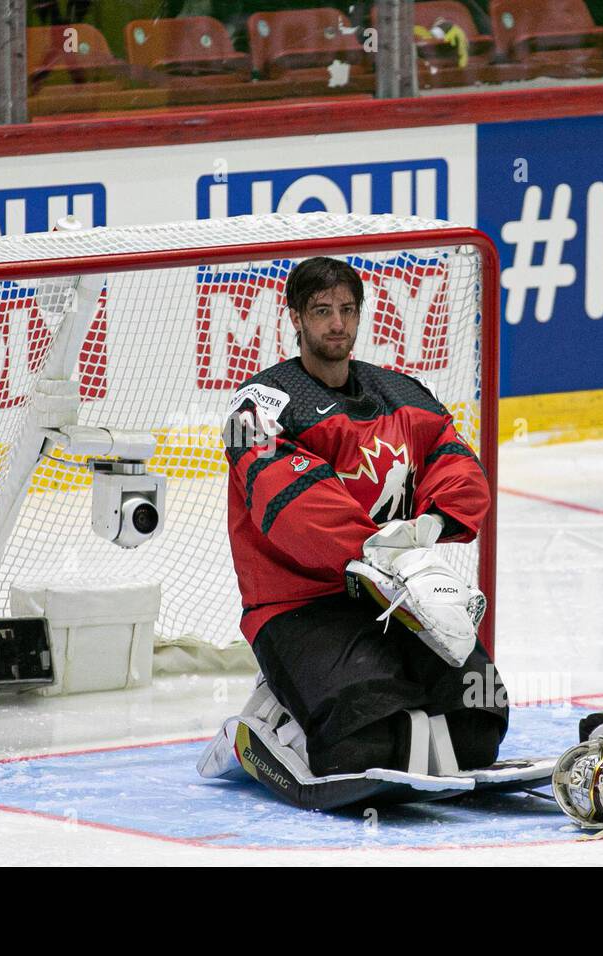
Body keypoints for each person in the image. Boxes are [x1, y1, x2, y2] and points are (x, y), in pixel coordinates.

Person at [222, 255, 505, 781]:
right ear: (295, 317)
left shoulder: (402, 392)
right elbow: (294, 506)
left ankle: (360, 705)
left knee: (480, 725)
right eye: (322, 310)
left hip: (397, 596)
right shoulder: (254, 410)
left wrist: (432, 528)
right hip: (302, 604)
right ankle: (275, 717)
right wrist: (381, 553)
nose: (337, 324)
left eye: (348, 310)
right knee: (360, 746)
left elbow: (456, 464)